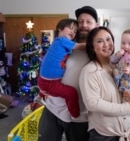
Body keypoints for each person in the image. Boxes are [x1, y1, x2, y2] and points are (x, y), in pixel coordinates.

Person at [37, 6, 98, 141]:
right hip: (52, 109)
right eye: (80, 21)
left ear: (96, 25)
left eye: (88, 22)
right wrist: (42, 89)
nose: (83, 25)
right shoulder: (65, 44)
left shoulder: (99, 50)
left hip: (80, 117)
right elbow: (48, 65)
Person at [79, 26, 130, 141]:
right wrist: (127, 108)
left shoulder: (120, 64)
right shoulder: (90, 71)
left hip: (128, 132)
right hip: (104, 136)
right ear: (92, 47)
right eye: (100, 41)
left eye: (109, 39)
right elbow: (92, 104)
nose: (106, 44)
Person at [35, 18, 85, 118]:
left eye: (75, 31)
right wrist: (94, 44)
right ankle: (75, 115)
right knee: (71, 93)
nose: (73, 32)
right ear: (59, 29)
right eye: (70, 28)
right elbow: (79, 46)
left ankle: (39, 96)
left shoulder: (58, 44)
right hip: (50, 82)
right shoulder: (62, 40)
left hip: (45, 80)